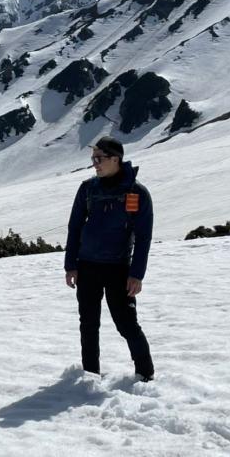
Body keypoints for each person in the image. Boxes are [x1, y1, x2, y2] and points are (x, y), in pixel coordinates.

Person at [64, 136, 155, 381]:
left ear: (115, 159)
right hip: (87, 266)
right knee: (88, 324)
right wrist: (71, 265)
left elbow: (144, 237)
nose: (94, 163)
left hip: (119, 269)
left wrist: (137, 274)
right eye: (93, 158)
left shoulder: (136, 193)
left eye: (99, 158)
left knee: (126, 323)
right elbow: (74, 227)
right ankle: (90, 375)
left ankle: (145, 375)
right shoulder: (88, 189)